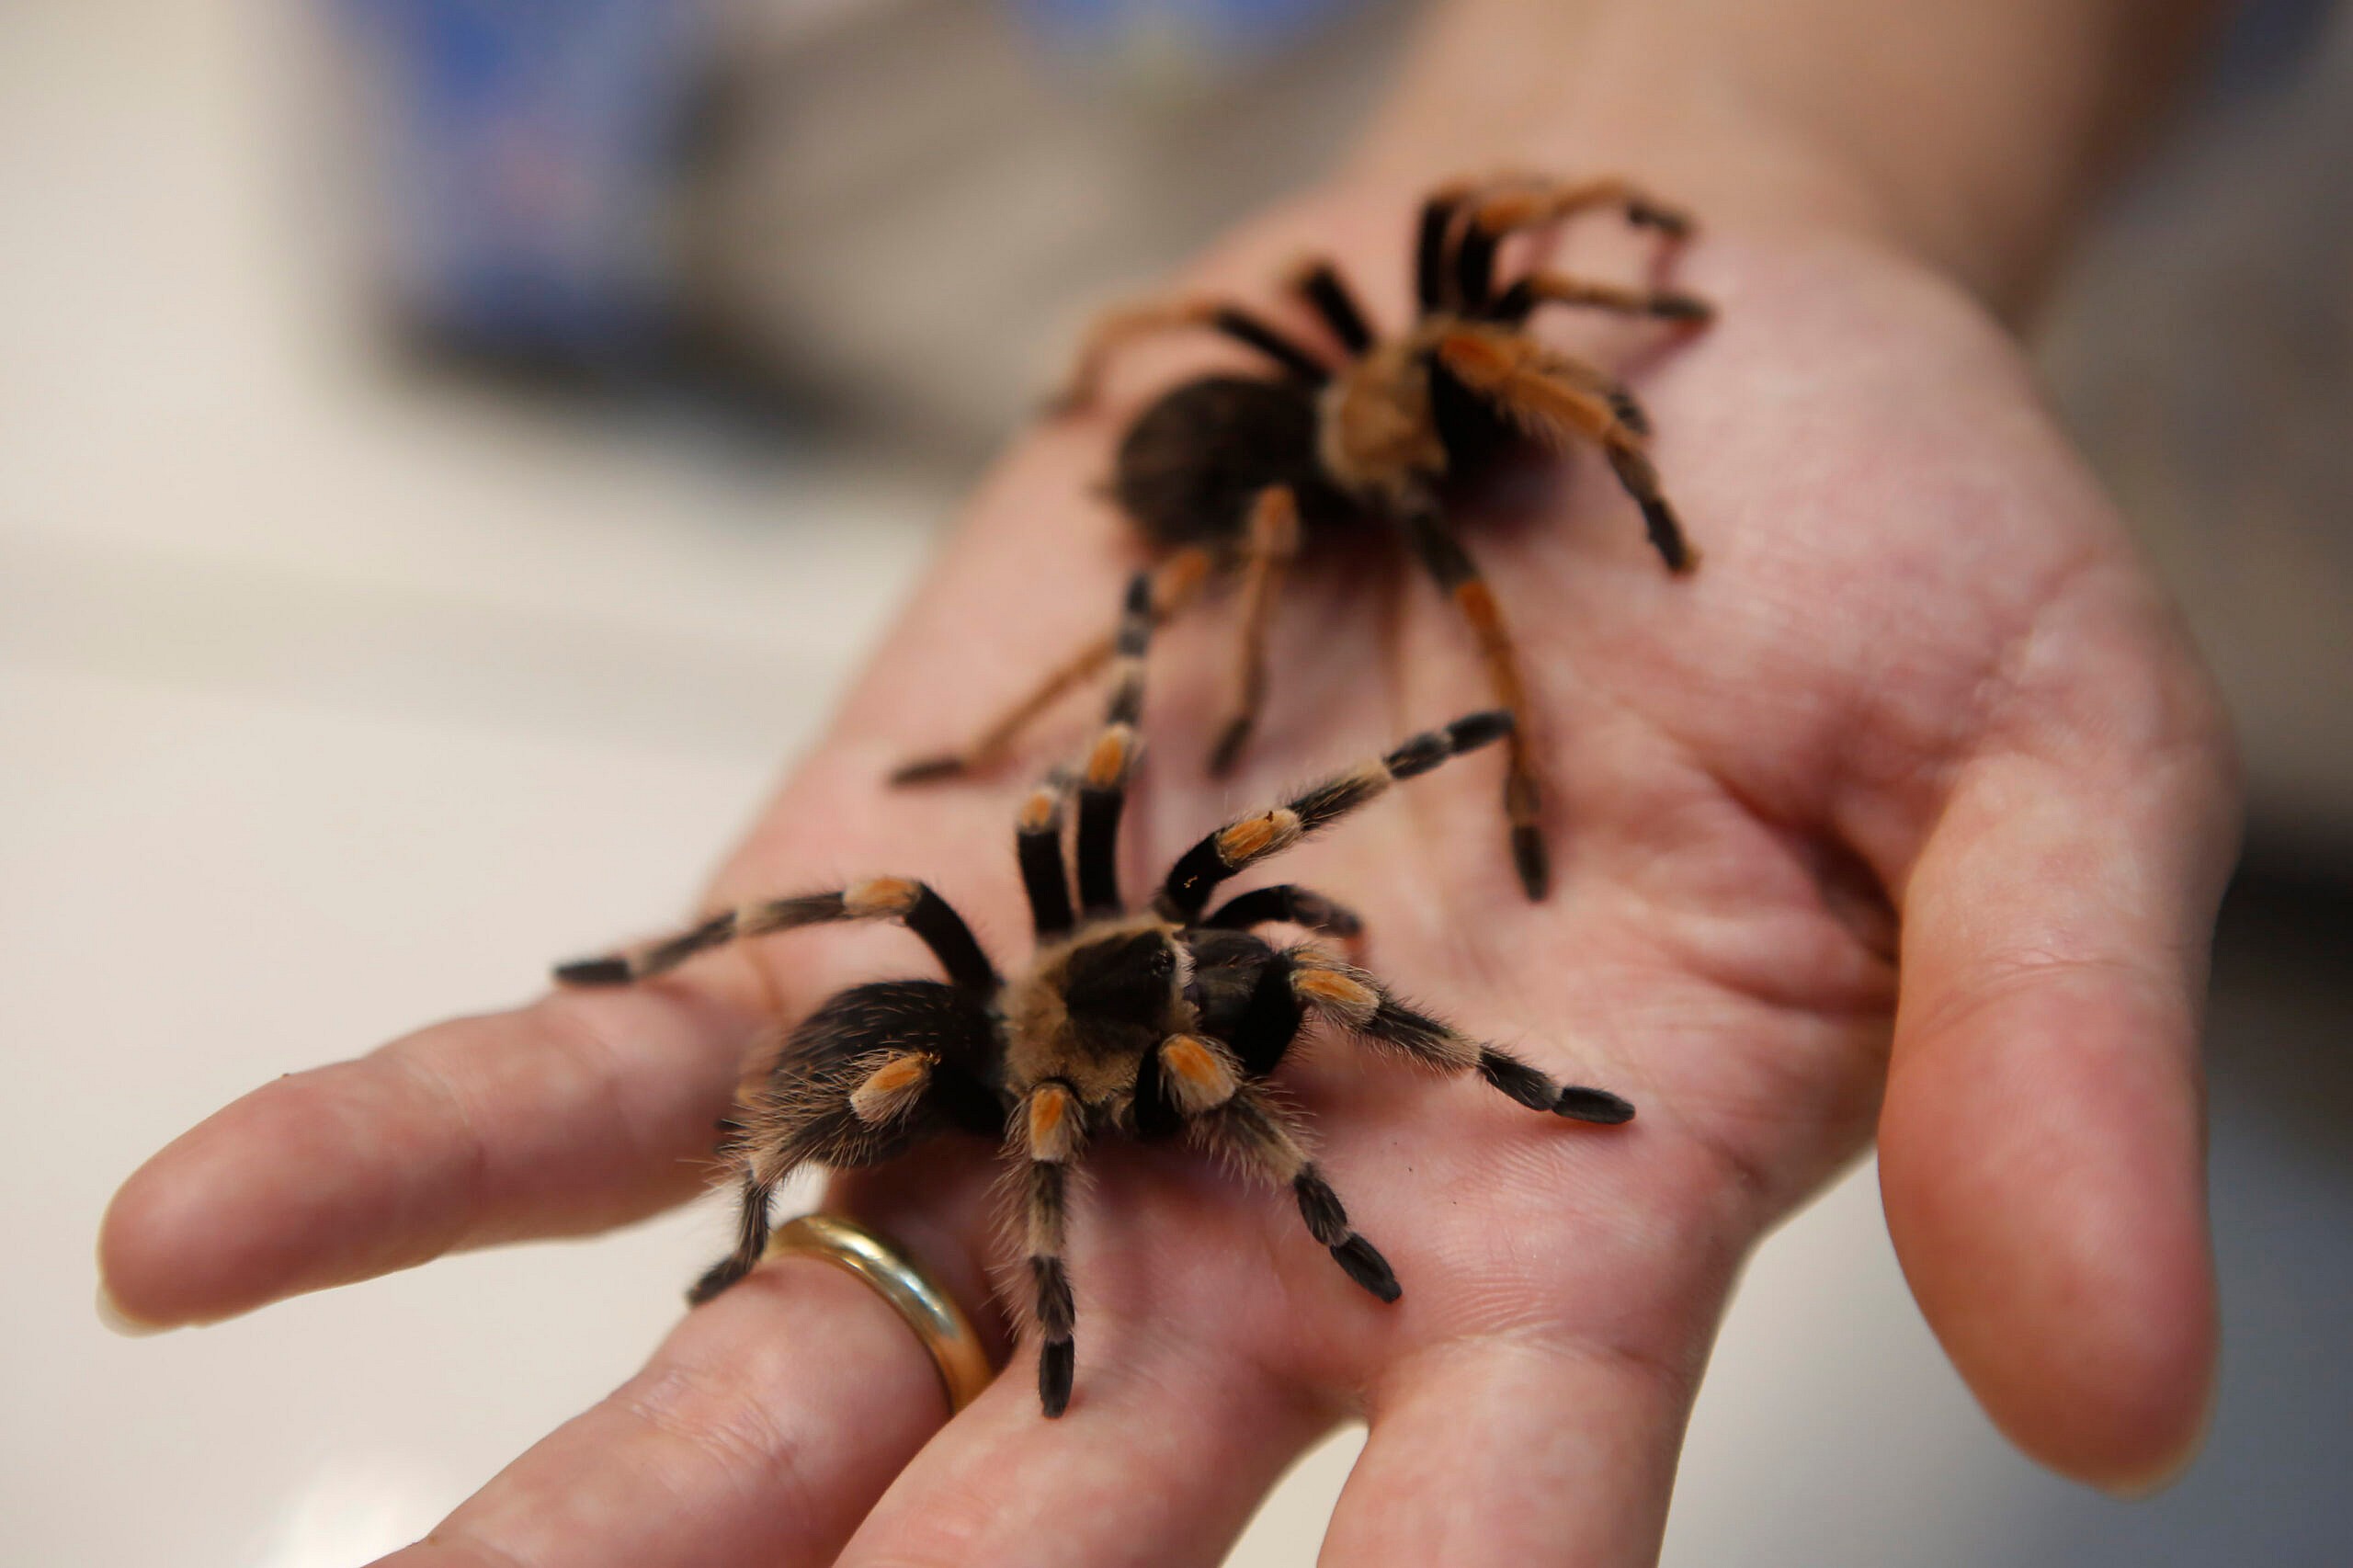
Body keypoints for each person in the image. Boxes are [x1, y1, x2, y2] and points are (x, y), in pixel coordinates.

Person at [97, 0, 2244, 1562]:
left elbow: (1217, 857)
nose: (1244, 962)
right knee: (923, 1025)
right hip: (743, 133)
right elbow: (1093, 1035)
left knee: (1099, 912)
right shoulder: (1098, 1048)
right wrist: (1337, 1177)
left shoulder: (1170, 905)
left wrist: (1747, 166)